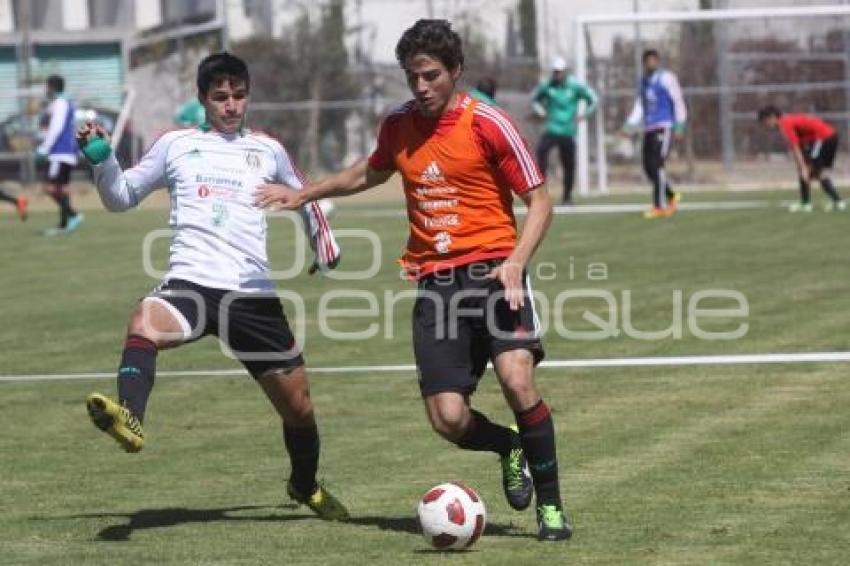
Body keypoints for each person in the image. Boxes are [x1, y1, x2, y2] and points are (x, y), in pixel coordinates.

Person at [256, 19, 571, 542]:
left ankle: (552, 509)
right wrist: (305, 193)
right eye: (413, 77)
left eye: (430, 75)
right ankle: (509, 446)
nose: (421, 86)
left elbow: (539, 200)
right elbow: (371, 172)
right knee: (448, 419)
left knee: (518, 381)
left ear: (455, 71)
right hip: (437, 286)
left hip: (496, 274)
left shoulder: (489, 123)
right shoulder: (399, 125)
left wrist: (516, 260)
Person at [76, 52, 348, 520]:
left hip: (253, 296)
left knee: (300, 410)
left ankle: (305, 485)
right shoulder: (175, 144)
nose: (231, 106)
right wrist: (103, 162)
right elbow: (120, 198)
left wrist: (325, 251)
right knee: (143, 318)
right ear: (203, 99)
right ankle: (130, 419)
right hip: (191, 285)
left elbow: (307, 197)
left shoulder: (268, 149)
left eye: (239, 96)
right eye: (220, 97)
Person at [622, 49, 687, 219]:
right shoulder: (644, 81)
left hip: (664, 126)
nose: (651, 64)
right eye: (647, 61)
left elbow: (678, 100)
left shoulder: (667, 78)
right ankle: (671, 195)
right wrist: (629, 124)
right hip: (649, 128)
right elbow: (640, 105)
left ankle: (660, 206)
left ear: (657, 61)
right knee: (648, 167)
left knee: (658, 163)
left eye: (653, 60)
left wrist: (680, 125)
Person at [532, 56, 598, 205]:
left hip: (568, 131)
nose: (557, 75)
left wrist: (585, 115)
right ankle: (541, 194)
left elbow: (593, 99)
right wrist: (541, 112)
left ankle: (567, 197)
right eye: (555, 72)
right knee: (540, 156)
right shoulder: (548, 86)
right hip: (551, 129)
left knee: (569, 164)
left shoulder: (574, 86)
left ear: (565, 72)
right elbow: (535, 99)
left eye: (560, 71)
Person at [757, 105, 845, 212]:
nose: (766, 125)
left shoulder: (784, 124)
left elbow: (795, 147)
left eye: (765, 121)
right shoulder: (787, 120)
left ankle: (808, 204)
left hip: (824, 138)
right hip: (829, 136)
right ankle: (835, 202)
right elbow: (802, 142)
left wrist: (803, 166)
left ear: (772, 117)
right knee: (815, 171)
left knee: (808, 170)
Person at [37, 74, 84, 235]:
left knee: (50, 188)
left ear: (51, 87)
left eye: (47, 87)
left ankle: (74, 215)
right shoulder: (66, 103)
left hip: (59, 152)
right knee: (60, 187)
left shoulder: (60, 103)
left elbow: (56, 128)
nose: (46, 90)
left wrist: (45, 147)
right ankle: (64, 224)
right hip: (67, 152)